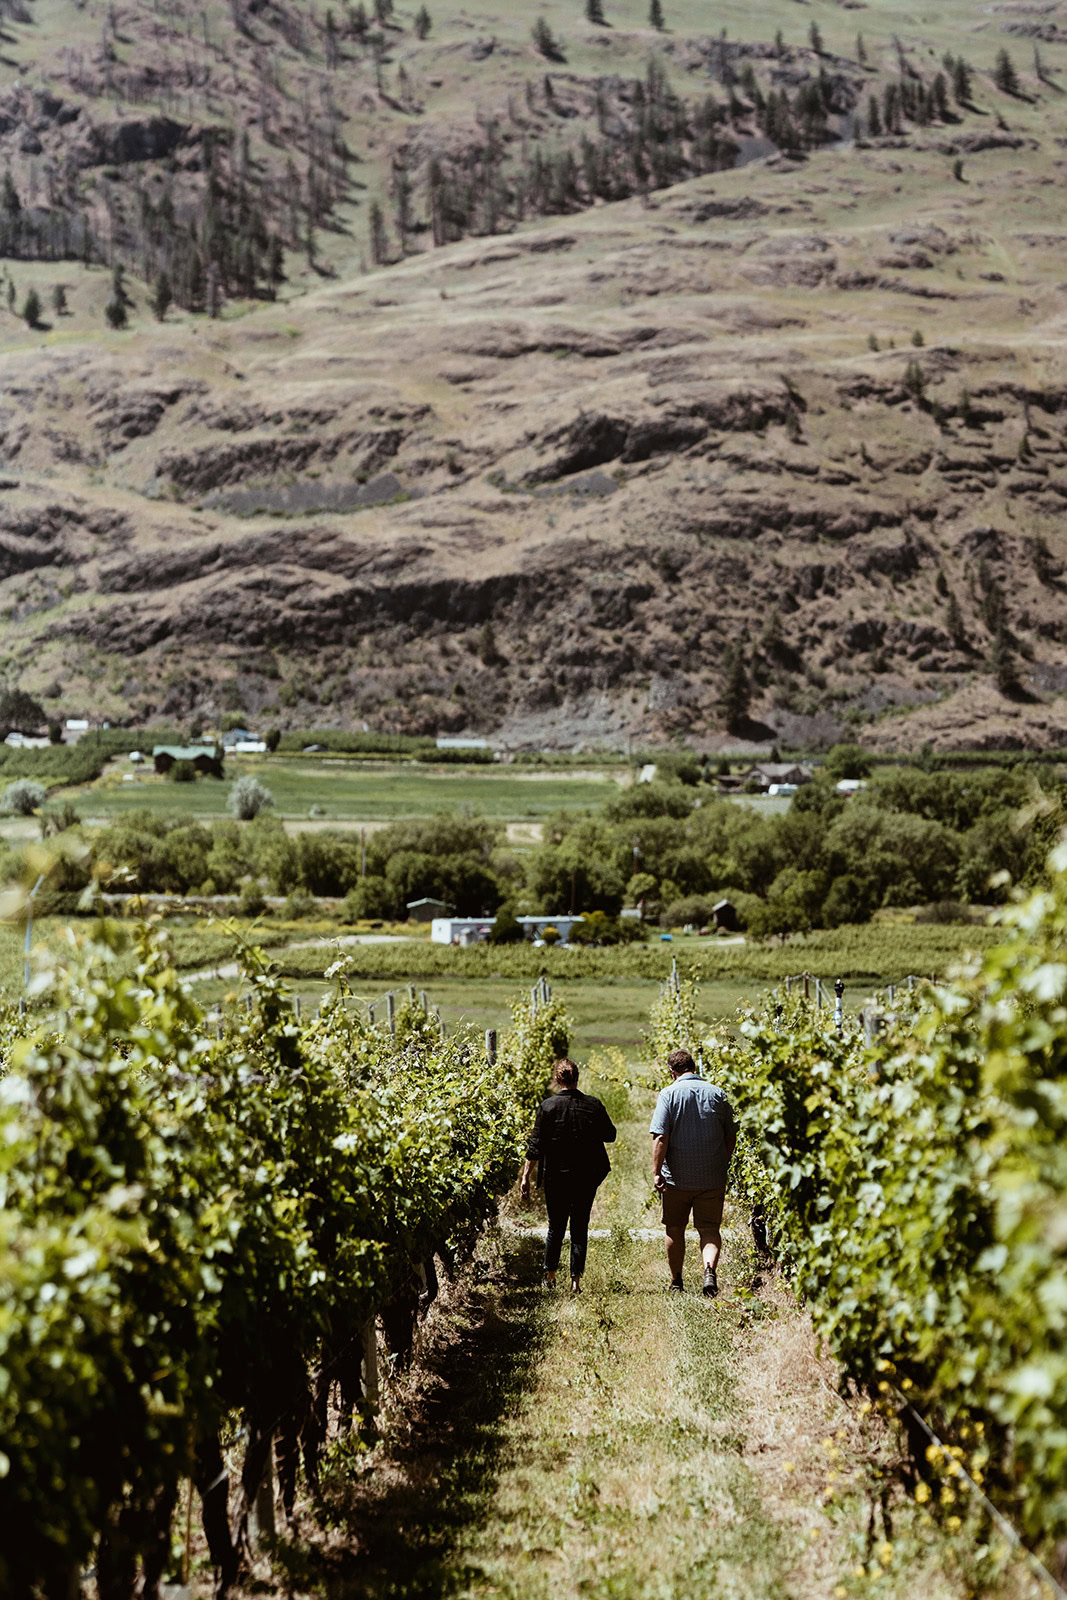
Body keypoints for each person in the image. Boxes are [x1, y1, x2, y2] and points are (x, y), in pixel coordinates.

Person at [520, 1058, 617, 1293]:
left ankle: (550, 1276)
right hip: (586, 1175)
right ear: (577, 1078)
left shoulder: (547, 1107)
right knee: (580, 1225)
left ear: (557, 1079)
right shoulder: (593, 1105)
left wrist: (525, 1177)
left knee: (556, 1226)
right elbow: (610, 1135)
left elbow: (535, 1146)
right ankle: (576, 1282)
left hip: (556, 1175)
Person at [650, 1047, 736, 1297]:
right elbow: (730, 1135)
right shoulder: (718, 1094)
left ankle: (677, 1280)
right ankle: (709, 1270)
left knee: (675, 1228)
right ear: (693, 1068)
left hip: (677, 1178)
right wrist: (722, 1160)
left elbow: (661, 1138)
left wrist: (657, 1171)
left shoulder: (668, 1095)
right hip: (711, 1177)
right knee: (709, 1228)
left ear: (672, 1071)